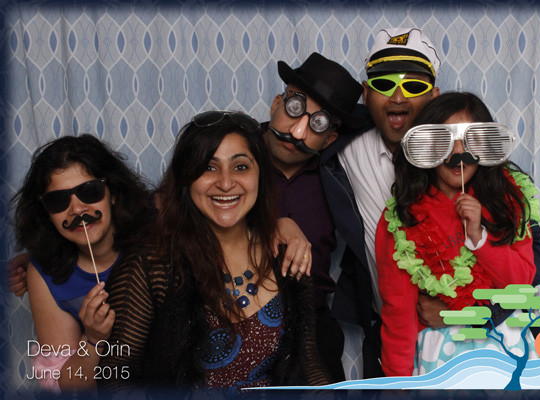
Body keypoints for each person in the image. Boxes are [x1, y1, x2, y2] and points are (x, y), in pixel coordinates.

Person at [319, 27, 540, 377]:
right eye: (384, 85)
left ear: (432, 96)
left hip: (505, 340)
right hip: (421, 350)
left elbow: (533, 267)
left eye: (413, 86)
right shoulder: (348, 153)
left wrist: (463, 308)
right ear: (367, 95)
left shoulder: (505, 193)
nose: (398, 96)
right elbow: (291, 135)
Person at [98, 111, 329, 393]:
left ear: (261, 176)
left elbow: (309, 369)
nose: (225, 182)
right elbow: (114, 381)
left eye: (241, 167)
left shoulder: (286, 255)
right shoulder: (151, 263)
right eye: (209, 167)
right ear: (186, 179)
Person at [376, 91, 540, 376]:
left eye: (470, 141)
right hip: (442, 356)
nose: (457, 153)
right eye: (443, 141)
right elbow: (398, 313)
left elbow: (522, 284)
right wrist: (397, 387)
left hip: (509, 346)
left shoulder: (507, 198)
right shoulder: (402, 219)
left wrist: (479, 238)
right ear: (427, 146)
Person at [12, 134, 156, 393]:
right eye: (58, 201)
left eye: (89, 191)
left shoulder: (156, 241)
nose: (77, 209)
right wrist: (93, 339)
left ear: (112, 193)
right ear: (46, 213)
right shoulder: (44, 274)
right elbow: (69, 386)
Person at [263, 52, 363, 381]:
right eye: (294, 109)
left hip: (312, 327)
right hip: (236, 319)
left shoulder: (340, 177)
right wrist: (273, 225)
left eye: (318, 124)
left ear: (330, 138)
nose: (298, 131)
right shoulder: (231, 157)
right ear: (277, 103)